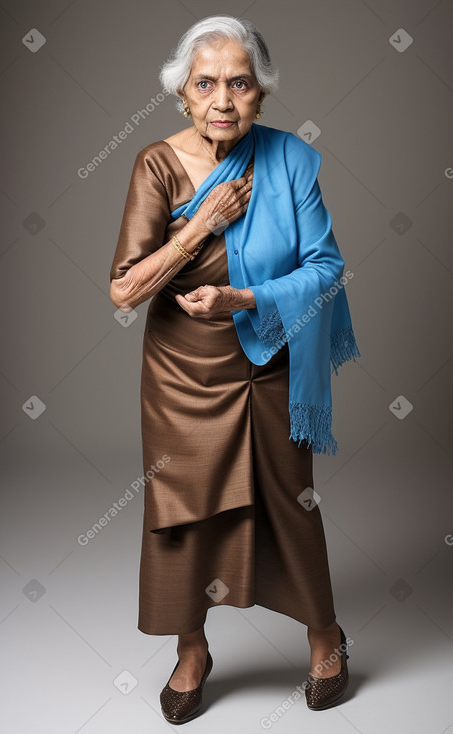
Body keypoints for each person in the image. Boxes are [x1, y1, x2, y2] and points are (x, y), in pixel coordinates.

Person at [109, 14, 359, 724]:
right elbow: (124, 290)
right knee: (180, 514)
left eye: (239, 83)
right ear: (181, 95)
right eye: (205, 83)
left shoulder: (290, 161)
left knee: (290, 504)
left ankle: (325, 639)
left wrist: (244, 298)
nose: (223, 99)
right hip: (182, 379)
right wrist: (199, 225)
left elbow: (326, 268)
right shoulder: (156, 165)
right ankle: (192, 651)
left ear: (262, 94)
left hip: (269, 363)